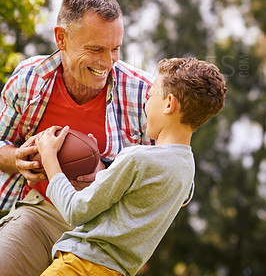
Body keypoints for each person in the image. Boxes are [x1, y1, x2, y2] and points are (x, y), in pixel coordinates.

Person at [0, 0, 157, 276]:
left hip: (106, 233)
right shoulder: (28, 79)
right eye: (96, 49)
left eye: (115, 49)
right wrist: (19, 159)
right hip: (42, 213)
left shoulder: (145, 94)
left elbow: (177, 178)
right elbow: (2, 142)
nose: (108, 62)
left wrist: (112, 180)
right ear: (61, 38)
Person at [33, 57, 227, 276]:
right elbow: (128, 206)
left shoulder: (137, 158)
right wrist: (102, 173)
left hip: (79, 266)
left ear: (169, 104)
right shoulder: (186, 169)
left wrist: (49, 158)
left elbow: (75, 211)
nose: (146, 102)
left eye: (152, 94)